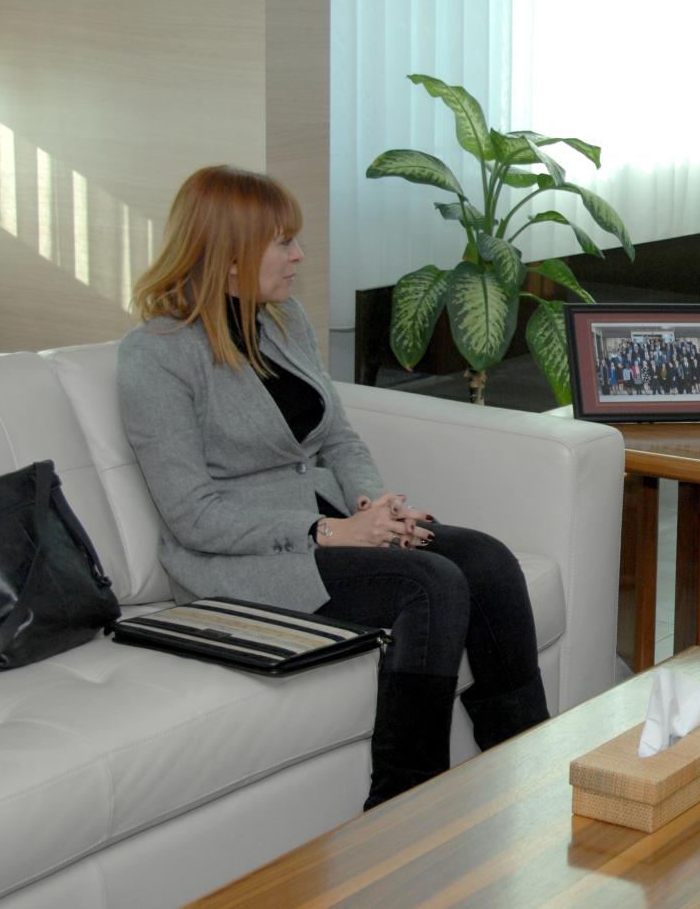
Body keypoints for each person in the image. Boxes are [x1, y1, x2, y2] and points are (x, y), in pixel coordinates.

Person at [117, 165, 549, 810]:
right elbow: (193, 516)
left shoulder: (283, 319)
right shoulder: (156, 354)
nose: (298, 256)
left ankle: (531, 767)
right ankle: (404, 806)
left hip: (332, 527)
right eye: (282, 242)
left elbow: (339, 438)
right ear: (229, 255)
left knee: (485, 558)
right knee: (429, 584)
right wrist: (329, 530)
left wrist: (375, 505)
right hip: (239, 563)